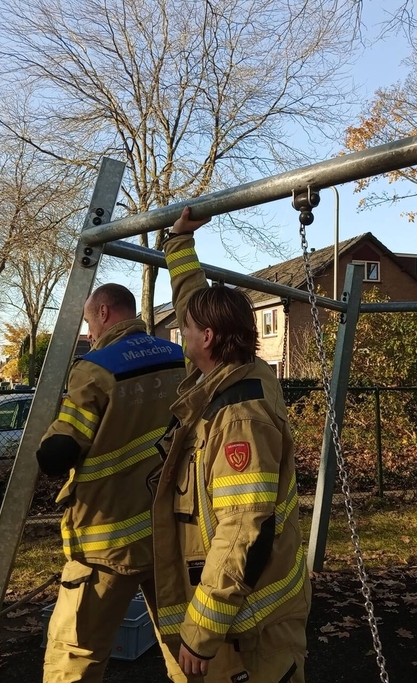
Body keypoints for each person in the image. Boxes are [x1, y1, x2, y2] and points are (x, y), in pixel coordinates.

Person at [152, 207, 310, 682]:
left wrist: (204, 626)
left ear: (209, 337)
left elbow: (244, 528)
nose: (181, 332)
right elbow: (193, 301)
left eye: (187, 329)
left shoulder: (239, 415)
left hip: (251, 620)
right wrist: (179, 243)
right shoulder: (225, 375)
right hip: (239, 606)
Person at [36, 283, 187, 683]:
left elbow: (60, 451)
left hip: (107, 538)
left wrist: (49, 436)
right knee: (186, 645)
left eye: (88, 321)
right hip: (169, 529)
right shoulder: (181, 358)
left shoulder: (95, 368)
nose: (88, 333)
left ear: (103, 313)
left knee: (75, 652)